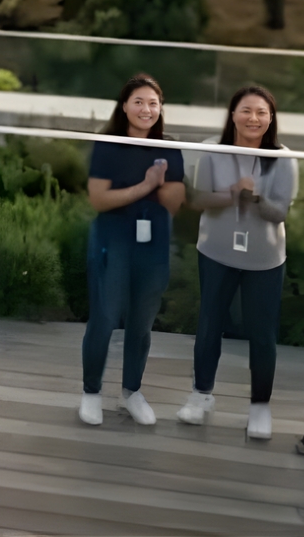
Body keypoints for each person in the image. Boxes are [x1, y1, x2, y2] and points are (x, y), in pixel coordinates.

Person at [182, 84, 295, 439]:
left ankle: (260, 406)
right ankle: (201, 394)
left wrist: (257, 197)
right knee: (209, 324)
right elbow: (198, 200)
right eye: (246, 110)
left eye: (262, 112)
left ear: (271, 119)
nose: (253, 118)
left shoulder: (283, 158)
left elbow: (279, 213)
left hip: (265, 259)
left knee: (262, 334)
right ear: (232, 114)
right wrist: (233, 193)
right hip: (216, 252)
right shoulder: (212, 150)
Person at [80, 75, 187, 428]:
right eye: (138, 102)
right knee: (106, 316)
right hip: (113, 240)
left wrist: (162, 185)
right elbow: (99, 199)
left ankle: (131, 391)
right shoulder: (108, 145)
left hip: (153, 243)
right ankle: (91, 392)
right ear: (124, 106)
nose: (146, 109)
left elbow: (175, 202)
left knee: (142, 322)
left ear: (161, 109)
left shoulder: (169, 148)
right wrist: (146, 185)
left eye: (153, 103)